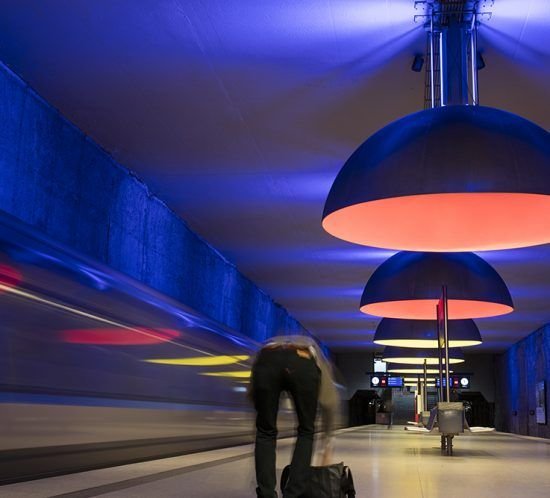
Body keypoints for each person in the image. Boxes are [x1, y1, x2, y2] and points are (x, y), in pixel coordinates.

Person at [250, 334, 340, 498]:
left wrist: (261, 411)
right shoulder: (315, 352)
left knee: (265, 432)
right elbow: (330, 402)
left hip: (267, 359)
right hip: (302, 360)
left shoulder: (267, 347)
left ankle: (266, 494)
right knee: (306, 431)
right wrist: (328, 443)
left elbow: (252, 393)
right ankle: (293, 494)